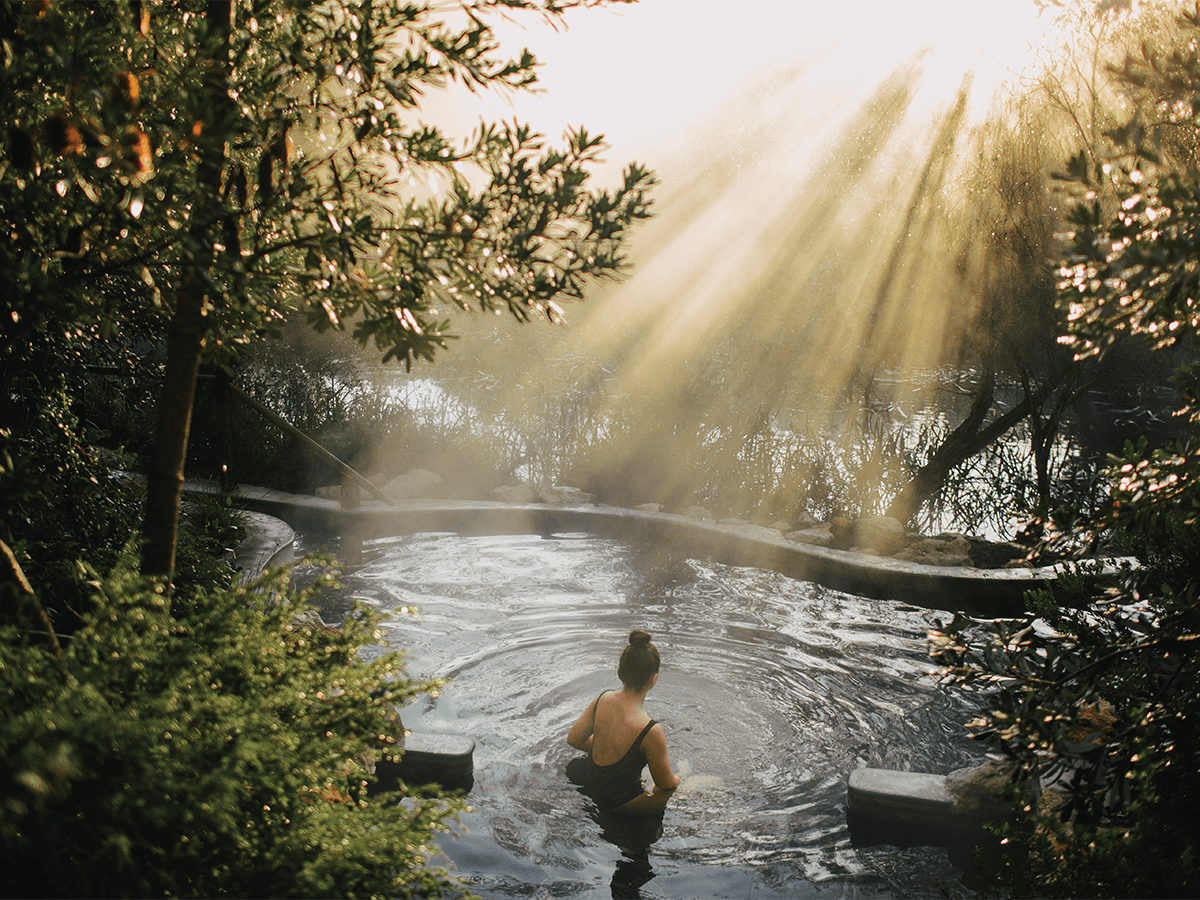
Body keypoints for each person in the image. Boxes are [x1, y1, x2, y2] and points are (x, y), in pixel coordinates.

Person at [568, 629, 681, 816]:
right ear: (654, 679)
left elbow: (574, 739)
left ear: (620, 672)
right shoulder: (651, 730)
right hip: (619, 803)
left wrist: (605, 751)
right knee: (683, 788)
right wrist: (681, 778)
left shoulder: (602, 699)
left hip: (588, 783)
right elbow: (665, 784)